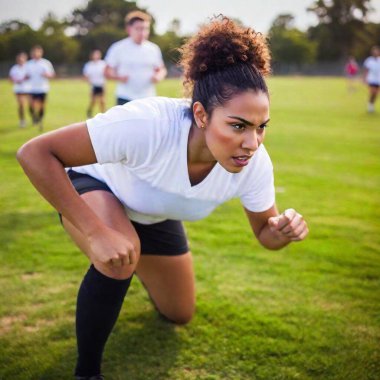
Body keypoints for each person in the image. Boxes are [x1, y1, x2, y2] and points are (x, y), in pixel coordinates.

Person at [17, 16, 309, 380]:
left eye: (260, 127)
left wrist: (281, 231)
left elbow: (265, 234)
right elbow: (35, 153)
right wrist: (95, 232)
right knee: (119, 257)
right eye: (237, 125)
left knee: (179, 312)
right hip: (99, 188)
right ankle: (87, 370)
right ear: (201, 114)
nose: (251, 143)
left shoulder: (254, 164)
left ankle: (131, 257)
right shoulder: (148, 124)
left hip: (153, 213)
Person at [104, 10, 167, 105]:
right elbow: (107, 72)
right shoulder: (118, 48)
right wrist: (119, 77)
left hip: (148, 98)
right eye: (138, 28)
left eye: (145, 29)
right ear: (129, 29)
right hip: (125, 97)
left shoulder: (153, 48)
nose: (142, 32)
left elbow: (161, 69)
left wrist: (158, 76)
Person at [25, 45, 55, 131]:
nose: (36, 53)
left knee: (42, 106)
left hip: (43, 88)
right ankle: (34, 117)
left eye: (38, 52)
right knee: (31, 105)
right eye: (34, 52)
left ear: (41, 53)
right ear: (32, 53)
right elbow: (26, 75)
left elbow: (52, 74)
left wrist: (46, 75)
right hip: (31, 88)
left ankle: (40, 120)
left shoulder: (46, 63)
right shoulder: (28, 64)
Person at [83, 50, 107, 118]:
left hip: (101, 85)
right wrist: (89, 83)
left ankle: (104, 115)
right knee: (93, 101)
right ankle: (89, 111)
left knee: (102, 101)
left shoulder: (103, 64)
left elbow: (105, 74)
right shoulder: (89, 65)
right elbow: (86, 75)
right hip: (93, 85)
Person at [9, 52, 30, 128]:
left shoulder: (28, 67)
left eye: (22, 58)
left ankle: (35, 118)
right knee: (21, 105)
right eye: (19, 58)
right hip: (19, 90)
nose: (21, 60)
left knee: (31, 105)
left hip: (29, 89)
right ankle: (22, 120)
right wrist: (18, 80)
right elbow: (11, 79)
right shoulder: (14, 68)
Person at [363, 46, 380, 113]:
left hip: (378, 79)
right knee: (373, 92)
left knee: (376, 94)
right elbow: (366, 70)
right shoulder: (369, 60)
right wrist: (364, 78)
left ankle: (371, 104)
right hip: (371, 79)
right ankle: (370, 105)